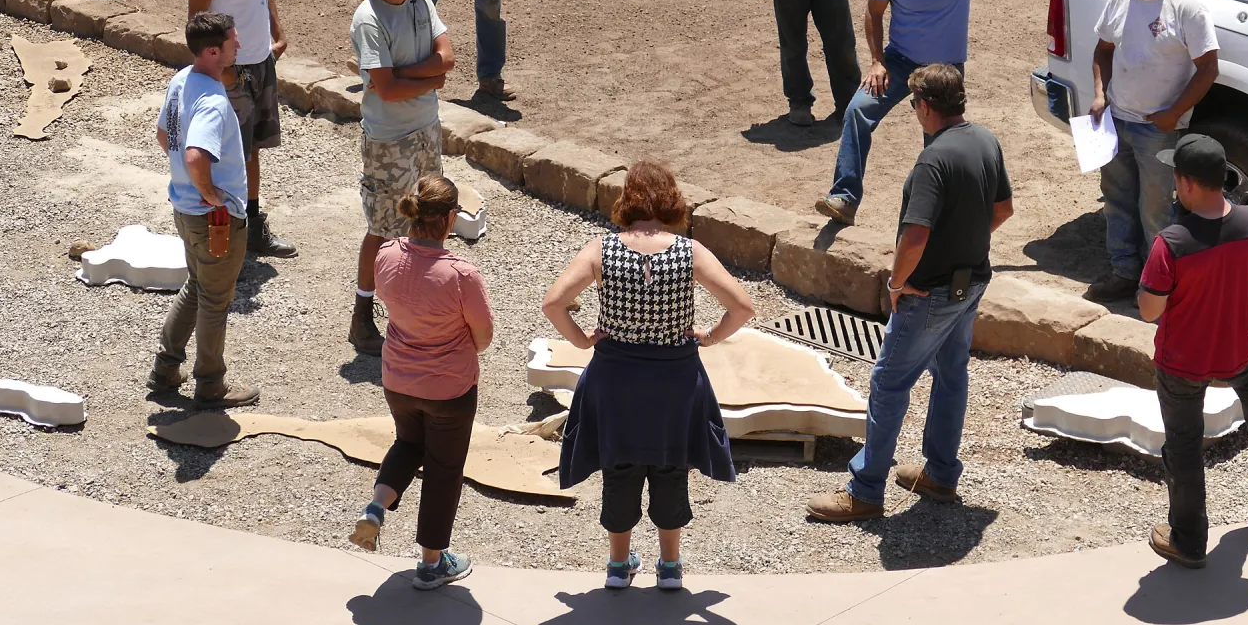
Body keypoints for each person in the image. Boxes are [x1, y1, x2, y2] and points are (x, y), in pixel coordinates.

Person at [807, 65, 1013, 521]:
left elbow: (915, 236)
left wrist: (897, 283)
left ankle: (865, 492)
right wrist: (965, 240)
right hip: (972, 281)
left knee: (888, 385)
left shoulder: (932, 160)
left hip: (929, 292)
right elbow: (1002, 209)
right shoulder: (985, 141)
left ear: (922, 106)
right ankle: (940, 474)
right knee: (951, 375)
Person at [815, 0, 1101, 225]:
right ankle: (845, 197)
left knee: (938, 145)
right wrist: (877, 61)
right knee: (857, 111)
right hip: (898, 61)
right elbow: (874, 12)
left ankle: (932, 216)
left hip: (945, 72)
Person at [542, 161, 755, 590]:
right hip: (675, 378)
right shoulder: (689, 251)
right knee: (670, 465)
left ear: (628, 200)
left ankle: (619, 566)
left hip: (615, 377)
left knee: (619, 465)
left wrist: (584, 341)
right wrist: (710, 337)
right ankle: (671, 566)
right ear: (672, 200)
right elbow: (743, 307)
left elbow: (553, 303)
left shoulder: (602, 249)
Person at [1137, 133, 1248, 568]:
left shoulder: (1171, 243)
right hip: (1234, 347)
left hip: (1182, 361)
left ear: (1188, 184)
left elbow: (1148, 309)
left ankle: (1189, 542)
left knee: (1184, 446)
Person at [348, 175, 494, 590]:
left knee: (408, 443)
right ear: (450, 219)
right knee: (444, 471)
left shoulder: (386, 254)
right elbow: (483, 335)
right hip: (450, 389)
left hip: (397, 380)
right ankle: (432, 563)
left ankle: (377, 506)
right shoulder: (461, 274)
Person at [1085, 0, 1219, 301]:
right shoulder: (1121, 0)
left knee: (1156, 208)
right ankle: (1124, 271)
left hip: (1157, 130)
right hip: (1116, 120)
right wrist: (1100, 95)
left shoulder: (1186, 8)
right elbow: (1103, 50)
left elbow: (1208, 68)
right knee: (1116, 198)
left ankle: (1160, 282)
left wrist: (1173, 114)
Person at [349, 0, 457, 355]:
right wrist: (422, 75)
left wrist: (400, 73)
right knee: (384, 228)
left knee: (429, 215)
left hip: (424, 126)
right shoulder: (369, 19)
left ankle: (417, 301)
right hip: (390, 137)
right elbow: (388, 90)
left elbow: (445, 62)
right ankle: (362, 315)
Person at [146, 11, 260, 408]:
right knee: (215, 301)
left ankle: (164, 370)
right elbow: (196, 154)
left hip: (185, 209)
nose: (239, 45)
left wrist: (189, 183)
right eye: (232, 40)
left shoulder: (181, 80)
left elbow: (166, 135)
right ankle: (210, 384)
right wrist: (211, 194)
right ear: (213, 50)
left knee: (197, 288)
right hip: (213, 218)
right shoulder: (212, 100)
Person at [187, 0, 297, 259]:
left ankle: (250, 227)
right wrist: (224, 70)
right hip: (231, 68)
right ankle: (221, 232)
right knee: (228, 152)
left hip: (261, 60)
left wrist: (277, 35)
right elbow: (197, 21)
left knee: (252, 150)